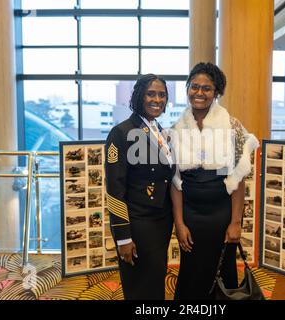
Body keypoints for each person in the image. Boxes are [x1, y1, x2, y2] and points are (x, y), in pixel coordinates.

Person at [170, 62, 259, 300]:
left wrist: (236, 222)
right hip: (191, 217)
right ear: (187, 88)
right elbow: (175, 183)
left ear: (217, 92)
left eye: (207, 88)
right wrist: (179, 224)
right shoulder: (176, 129)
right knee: (191, 272)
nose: (199, 93)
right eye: (194, 87)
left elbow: (238, 178)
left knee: (223, 270)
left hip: (221, 216)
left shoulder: (232, 127)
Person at [105, 74, 175, 300]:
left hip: (161, 222)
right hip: (138, 223)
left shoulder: (159, 130)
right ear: (139, 97)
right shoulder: (121, 132)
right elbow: (115, 190)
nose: (157, 99)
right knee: (139, 285)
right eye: (151, 93)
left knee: (154, 280)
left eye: (162, 94)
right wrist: (123, 237)